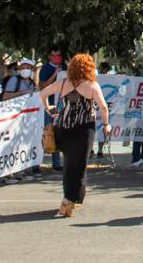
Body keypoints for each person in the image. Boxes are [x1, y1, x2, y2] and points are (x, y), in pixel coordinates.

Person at [40, 53, 110, 217]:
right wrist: (106, 124)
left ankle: (70, 197)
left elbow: (42, 94)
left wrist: (48, 109)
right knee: (79, 166)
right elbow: (103, 107)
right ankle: (69, 201)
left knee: (69, 164)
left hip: (63, 127)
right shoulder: (92, 85)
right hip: (83, 129)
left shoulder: (63, 83)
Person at [38, 48, 66, 172]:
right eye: (54, 56)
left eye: (59, 55)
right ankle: (36, 163)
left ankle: (57, 163)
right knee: (47, 133)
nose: (56, 58)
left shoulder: (64, 67)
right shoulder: (45, 69)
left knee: (59, 133)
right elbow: (43, 85)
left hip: (61, 105)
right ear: (49, 57)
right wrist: (55, 74)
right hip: (48, 106)